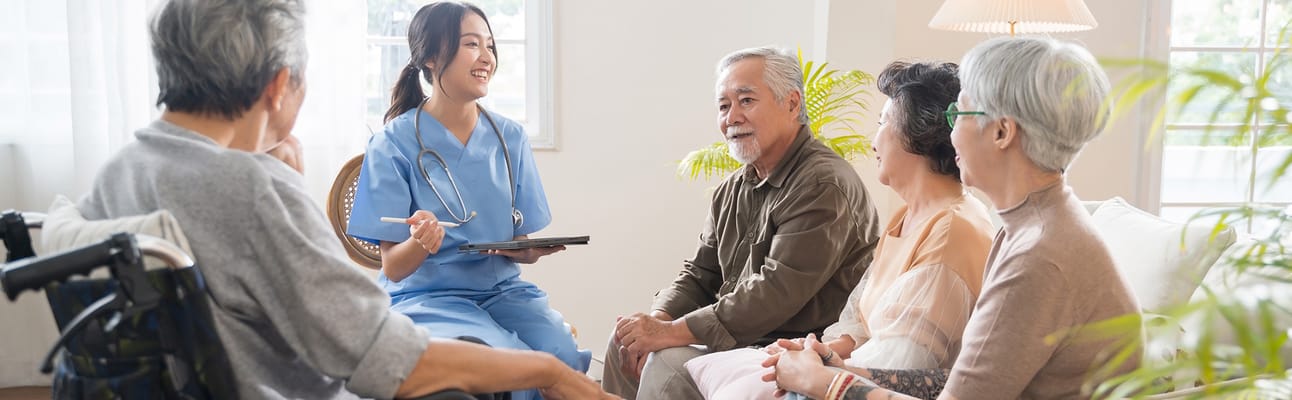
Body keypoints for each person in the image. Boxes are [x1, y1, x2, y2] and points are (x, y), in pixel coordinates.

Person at [77, 0, 612, 398]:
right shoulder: (253, 190)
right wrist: (549, 372)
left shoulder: (114, 177)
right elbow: (381, 356)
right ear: (278, 84)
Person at [765, 36, 1144, 400]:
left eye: (958, 113)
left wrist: (825, 384)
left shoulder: (1038, 256)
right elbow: (957, 382)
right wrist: (837, 368)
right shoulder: (1028, 226)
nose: (949, 134)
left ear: (1001, 132)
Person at [681, 61, 995, 400]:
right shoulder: (908, 216)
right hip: (850, 373)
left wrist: (818, 373)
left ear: (917, 135)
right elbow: (861, 320)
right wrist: (823, 350)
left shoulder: (951, 230)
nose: (874, 140)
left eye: (883, 123)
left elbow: (906, 362)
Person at [602, 46, 881, 399]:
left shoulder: (822, 184)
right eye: (723, 106)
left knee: (666, 362)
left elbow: (774, 292)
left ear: (792, 104)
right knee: (624, 342)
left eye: (746, 100)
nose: (732, 117)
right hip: (738, 342)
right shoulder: (731, 189)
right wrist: (657, 320)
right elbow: (700, 274)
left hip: (791, 352)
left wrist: (669, 333)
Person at [345, 2, 590, 399]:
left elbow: (519, 239)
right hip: (429, 298)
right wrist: (421, 243)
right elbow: (393, 266)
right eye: (471, 44)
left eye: (490, 45)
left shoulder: (510, 138)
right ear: (430, 57)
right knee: (496, 361)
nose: (486, 57)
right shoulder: (392, 144)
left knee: (560, 354)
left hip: (504, 292)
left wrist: (529, 251)